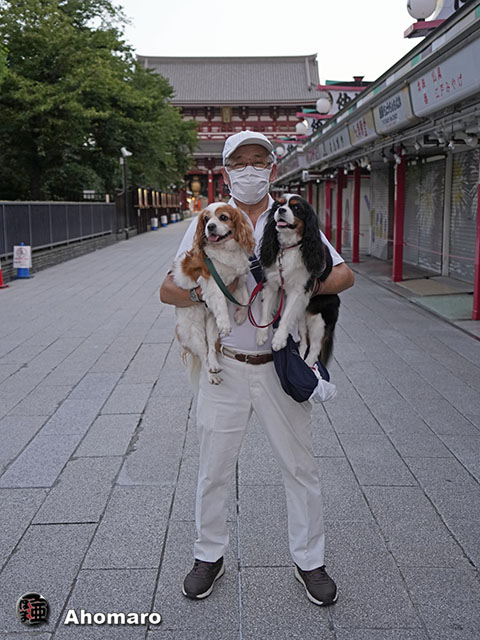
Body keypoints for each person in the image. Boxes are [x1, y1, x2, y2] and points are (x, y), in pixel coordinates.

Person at [160, 130, 354, 606]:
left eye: (258, 160)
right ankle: (209, 555)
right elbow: (167, 289)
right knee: (213, 469)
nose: (250, 169)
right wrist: (209, 290)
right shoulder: (211, 217)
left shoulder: (289, 212)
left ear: (272, 166)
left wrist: (299, 283)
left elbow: (344, 274)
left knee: (300, 467)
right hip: (227, 364)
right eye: (240, 162)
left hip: (278, 367)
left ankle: (309, 561)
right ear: (226, 172)